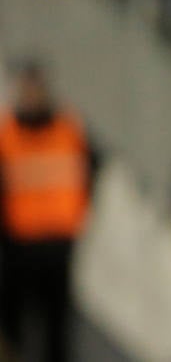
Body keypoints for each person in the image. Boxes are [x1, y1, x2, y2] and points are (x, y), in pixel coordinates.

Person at [0, 59, 100, 362]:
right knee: (13, 325)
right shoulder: (7, 133)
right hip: (18, 244)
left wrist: (79, 216)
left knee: (57, 329)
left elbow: (91, 171)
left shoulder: (69, 129)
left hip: (58, 244)